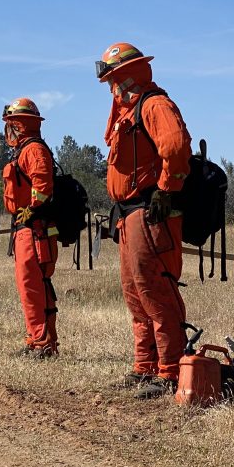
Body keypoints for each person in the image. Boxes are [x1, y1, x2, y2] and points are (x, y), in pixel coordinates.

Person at [97, 42, 192, 399]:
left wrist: (165, 190)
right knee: (135, 294)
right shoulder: (131, 111)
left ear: (127, 78)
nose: (111, 89)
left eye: (113, 81)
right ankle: (145, 366)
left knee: (155, 291)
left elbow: (175, 146)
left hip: (150, 214)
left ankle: (169, 372)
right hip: (129, 216)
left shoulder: (154, 105)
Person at [1, 98, 59, 358]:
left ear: (18, 125)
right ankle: (38, 339)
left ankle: (42, 342)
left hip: (35, 229)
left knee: (33, 284)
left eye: (10, 125)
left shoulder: (33, 150)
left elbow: (43, 186)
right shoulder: (25, 150)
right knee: (31, 286)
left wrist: (32, 208)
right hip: (28, 227)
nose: (8, 131)